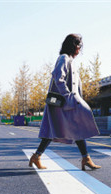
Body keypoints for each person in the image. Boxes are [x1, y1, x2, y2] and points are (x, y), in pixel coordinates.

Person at [30, 34, 101, 171]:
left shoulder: (69, 60)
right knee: (61, 129)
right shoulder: (63, 58)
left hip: (66, 103)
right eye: (79, 46)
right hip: (62, 103)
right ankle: (85, 158)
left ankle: (37, 156)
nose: (80, 49)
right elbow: (58, 77)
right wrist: (68, 95)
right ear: (74, 46)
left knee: (70, 128)